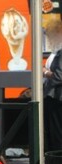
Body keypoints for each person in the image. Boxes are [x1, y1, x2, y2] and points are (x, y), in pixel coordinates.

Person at [44, 19, 62, 152]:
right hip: (53, 97)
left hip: (58, 97)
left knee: (57, 133)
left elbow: (59, 76)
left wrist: (45, 73)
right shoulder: (56, 50)